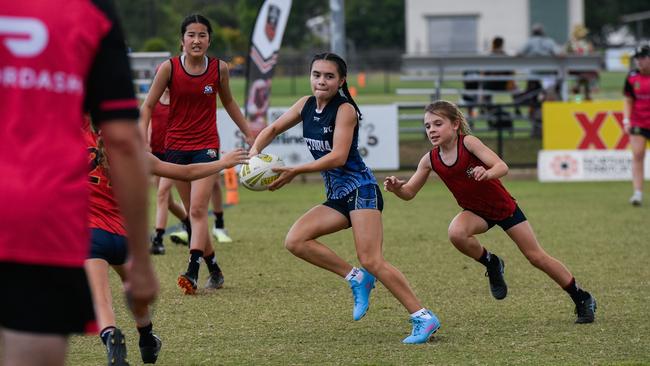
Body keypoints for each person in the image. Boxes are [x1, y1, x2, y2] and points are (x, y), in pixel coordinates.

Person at [0, 1, 158, 365]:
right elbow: (124, 140)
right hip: (38, 211)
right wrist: (143, 260)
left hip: (64, 222)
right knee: (30, 344)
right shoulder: (92, 11)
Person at [249, 52, 441, 344]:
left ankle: (423, 317)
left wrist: (295, 171)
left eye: (329, 76)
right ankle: (356, 278)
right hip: (339, 196)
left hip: (362, 190)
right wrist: (254, 155)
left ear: (341, 80)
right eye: (317, 75)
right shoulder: (305, 104)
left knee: (372, 259)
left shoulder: (345, 110)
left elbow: (338, 157)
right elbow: (273, 128)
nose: (322, 81)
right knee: (296, 241)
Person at [383, 100, 597, 324]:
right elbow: (409, 193)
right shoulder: (430, 160)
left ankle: (581, 297)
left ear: (455, 124)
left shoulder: (469, 143)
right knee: (456, 233)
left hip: (503, 208)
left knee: (536, 257)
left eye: (438, 123)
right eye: (428, 126)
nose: (432, 130)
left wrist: (487, 173)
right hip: (476, 212)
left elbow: (501, 166)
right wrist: (397, 188)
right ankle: (492, 262)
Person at [84, 121, 247, 364]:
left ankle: (111, 337)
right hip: (125, 238)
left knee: (101, 298)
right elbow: (187, 172)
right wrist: (223, 163)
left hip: (91, 236)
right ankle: (147, 339)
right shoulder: (136, 155)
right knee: (136, 292)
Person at [140, 14, 254, 295]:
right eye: (191, 35)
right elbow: (147, 106)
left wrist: (249, 132)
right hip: (175, 147)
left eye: (202, 35)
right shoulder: (168, 69)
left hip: (206, 146)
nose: (196, 40)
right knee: (193, 216)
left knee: (198, 210)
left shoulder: (219, 69)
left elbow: (228, 101)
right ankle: (213, 266)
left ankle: (192, 269)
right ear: (182, 40)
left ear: (209, 40)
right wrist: (142, 142)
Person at [148, 86, 191, 254]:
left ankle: (158, 239)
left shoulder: (179, 101)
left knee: (162, 193)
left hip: (173, 154)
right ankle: (188, 223)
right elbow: (149, 124)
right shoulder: (153, 101)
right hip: (157, 155)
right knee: (169, 201)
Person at [623, 45, 650, 206]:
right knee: (638, 155)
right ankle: (637, 193)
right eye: (637, 58)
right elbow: (628, 100)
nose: (639, 61)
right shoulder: (632, 77)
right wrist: (626, 120)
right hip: (639, 121)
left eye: (643, 57)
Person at [566, 25, 598, 101]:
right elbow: (593, 55)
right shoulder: (588, 45)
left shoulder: (570, 44)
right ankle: (587, 97)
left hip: (573, 69)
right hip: (586, 69)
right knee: (585, 77)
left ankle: (578, 98)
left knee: (581, 80)